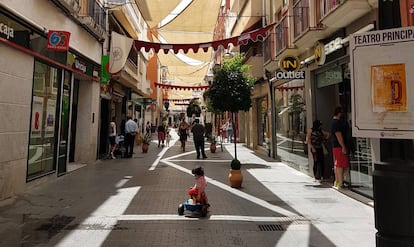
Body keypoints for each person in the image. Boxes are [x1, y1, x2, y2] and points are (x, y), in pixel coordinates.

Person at [330, 106, 349, 188]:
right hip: (339, 146)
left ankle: (337, 181)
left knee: (338, 164)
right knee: (340, 165)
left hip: (335, 146)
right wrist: (343, 146)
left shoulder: (333, 122)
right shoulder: (337, 123)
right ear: (339, 113)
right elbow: (339, 135)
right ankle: (340, 182)